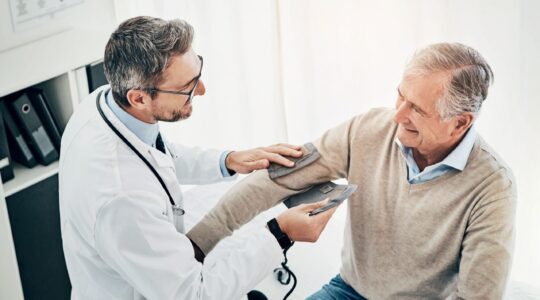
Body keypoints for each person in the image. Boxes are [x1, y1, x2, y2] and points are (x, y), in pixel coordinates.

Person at [187, 43, 517, 299]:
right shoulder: (368, 129)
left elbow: (478, 296)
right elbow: (277, 178)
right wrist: (198, 245)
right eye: (400, 96)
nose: (398, 116)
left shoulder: (492, 186)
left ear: (460, 122)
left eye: (416, 109)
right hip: (348, 290)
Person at [59, 16, 338, 300]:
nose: (202, 90)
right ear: (139, 98)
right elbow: (194, 294)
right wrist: (281, 233)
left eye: (198, 72)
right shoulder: (121, 198)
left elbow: (159, 154)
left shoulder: (106, 103)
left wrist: (229, 160)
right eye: (188, 87)